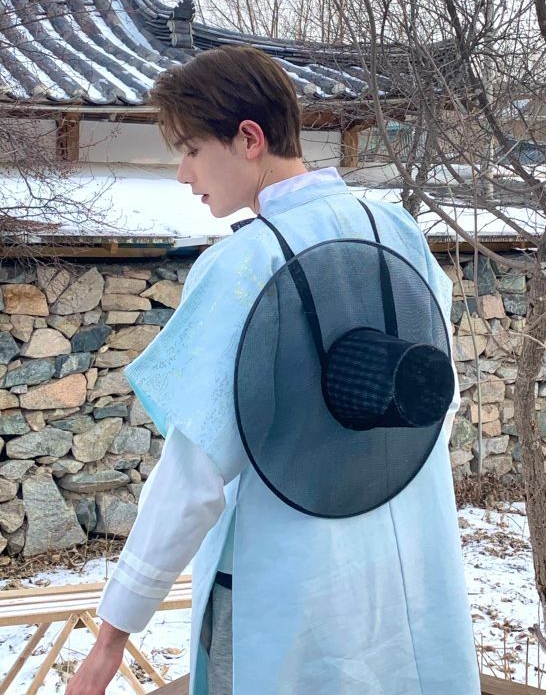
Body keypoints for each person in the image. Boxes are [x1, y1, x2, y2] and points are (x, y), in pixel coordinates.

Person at [66, 45, 480, 695]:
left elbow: (194, 475)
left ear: (249, 139)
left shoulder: (245, 267)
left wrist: (112, 636)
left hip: (284, 580)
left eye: (192, 149)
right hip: (403, 570)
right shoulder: (396, 231)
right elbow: (439, 397)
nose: (182, 173)